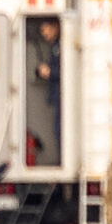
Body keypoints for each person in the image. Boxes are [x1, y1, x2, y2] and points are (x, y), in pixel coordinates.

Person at [35, 18, 61, 149]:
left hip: (63, 97)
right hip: (58, 97)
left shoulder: (62, 45)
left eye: (46, 30)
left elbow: (69, 70)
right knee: (58, 130)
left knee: (60, 130)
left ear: (55, 27)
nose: (44, 34)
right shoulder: (55, 46)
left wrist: (51, 71)